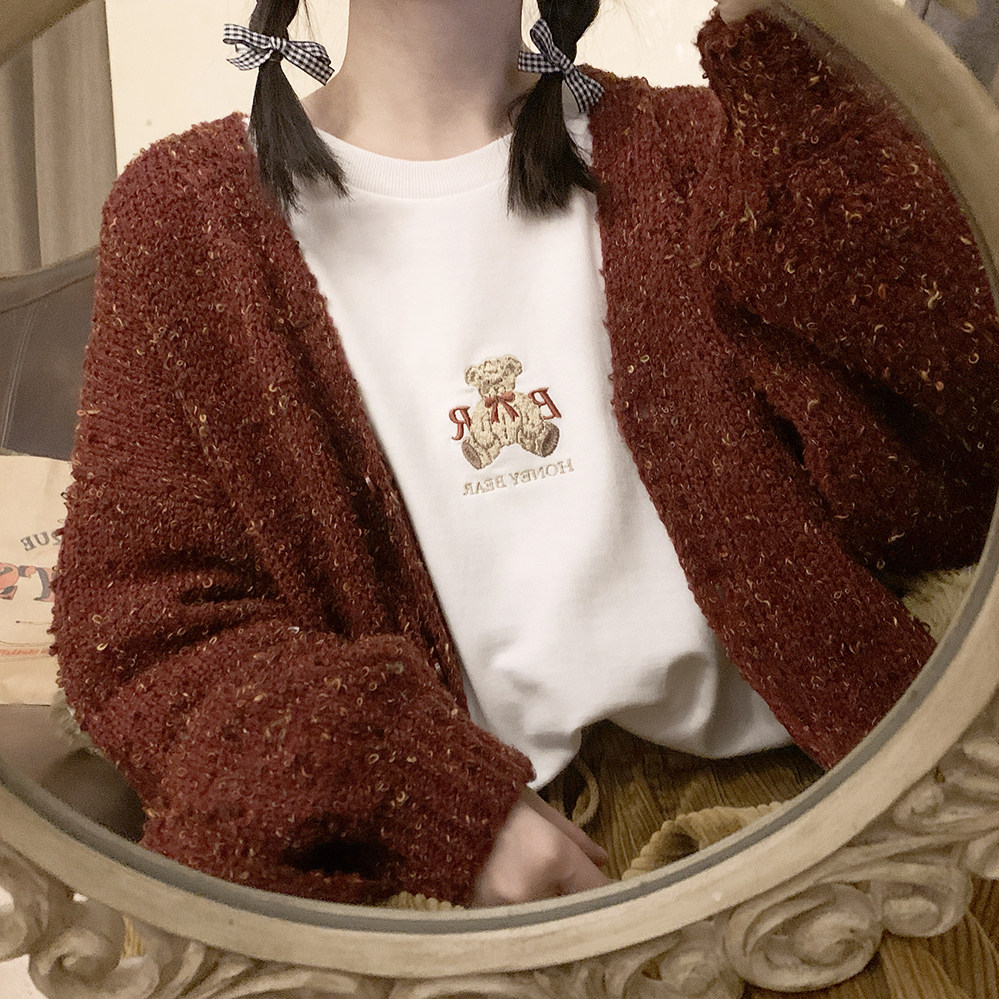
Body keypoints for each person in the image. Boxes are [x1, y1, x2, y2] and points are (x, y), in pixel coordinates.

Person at [51, 0, 999, 908]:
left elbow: (938, 483)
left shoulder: (694, 146)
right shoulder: (186, 219)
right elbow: (139, 639)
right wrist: (422, 791)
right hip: (437, 892)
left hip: (808, 813)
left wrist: (789, 48)